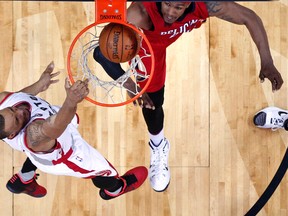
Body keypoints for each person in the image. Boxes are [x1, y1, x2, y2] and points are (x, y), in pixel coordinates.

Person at [93, 1, 283, 192]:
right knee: (151, 103)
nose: (171, 12)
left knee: (151, 100)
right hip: (148, 45)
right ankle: (158, 144)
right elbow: (100, 53)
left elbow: (249, 17)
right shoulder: (140, 13)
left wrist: (267, 61)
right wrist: (131, 86)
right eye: (167, 4)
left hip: (162, 38)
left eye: (178, 7)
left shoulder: (207, 5)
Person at [0, 61, 148, 200]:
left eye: (12, 109)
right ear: (13, 133)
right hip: (66, 155)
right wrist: (71, 100)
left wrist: (39, 85)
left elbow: (16, 97)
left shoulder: (3, 104)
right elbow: (55, 126)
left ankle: (24, 178)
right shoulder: (33, 136)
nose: (20, 111)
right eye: (18, 119)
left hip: (49, 134)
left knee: (70, 120)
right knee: (102, 171)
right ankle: (115, 189)